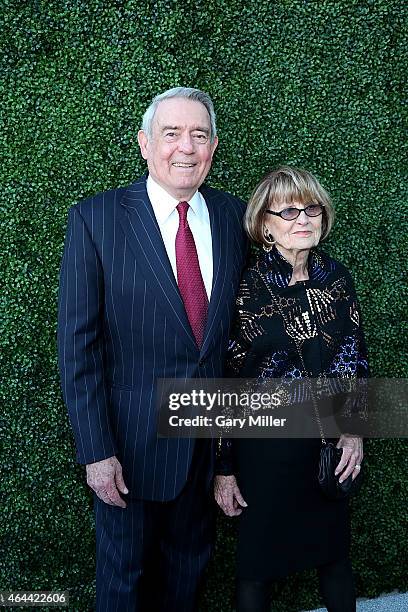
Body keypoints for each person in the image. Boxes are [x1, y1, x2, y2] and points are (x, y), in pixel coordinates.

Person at [57, 87, 247, 612]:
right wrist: (96, 452)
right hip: (129, 453)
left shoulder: (233, 218)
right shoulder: (96, 220)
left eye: (199, 134)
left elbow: (235, 341)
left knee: (188, 581)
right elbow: (79, 350)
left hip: (203, 452)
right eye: (171, 133)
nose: (185, 147)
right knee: (123, 586)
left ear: (213, 147)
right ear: (145, 144)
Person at [214, 166, 368, 612]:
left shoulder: (337, 279)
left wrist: (353, 430)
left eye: (311, 208)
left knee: (335, 558)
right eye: (288, 211)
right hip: (264, 450)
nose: (303, 219)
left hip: (325, 445)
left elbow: (354, 358)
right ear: (265, 225)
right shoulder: (245, 287)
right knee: (256, 569)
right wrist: (223, 468)